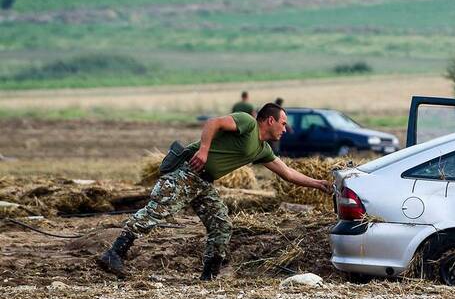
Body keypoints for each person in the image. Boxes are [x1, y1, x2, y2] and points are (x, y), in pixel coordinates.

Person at [96, 103, 332, 281]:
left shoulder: (261, 149)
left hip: (203, 183)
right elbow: (213, 122)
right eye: (283, 123)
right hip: (187, 174)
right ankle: (114, 253)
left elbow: (288, 173)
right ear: (269, 120)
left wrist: (319, 183)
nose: (286, 129)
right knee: (155, 213)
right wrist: (205, 150)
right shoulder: (247, 123)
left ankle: (209, 277)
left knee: (221, 224)